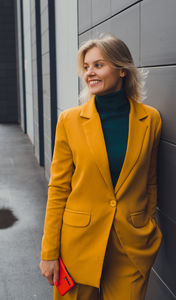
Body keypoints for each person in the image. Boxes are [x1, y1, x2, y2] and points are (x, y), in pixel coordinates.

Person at [40, 34, 162, 300]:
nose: (90, 73)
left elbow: (149, 181)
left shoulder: (150, 119)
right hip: (77, 247)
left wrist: (148, 226)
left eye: (98, 65)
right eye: (86, 67)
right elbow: (59, 188)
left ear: (121, 69)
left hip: (130, 246)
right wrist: (49, 252)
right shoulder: (69, 121)